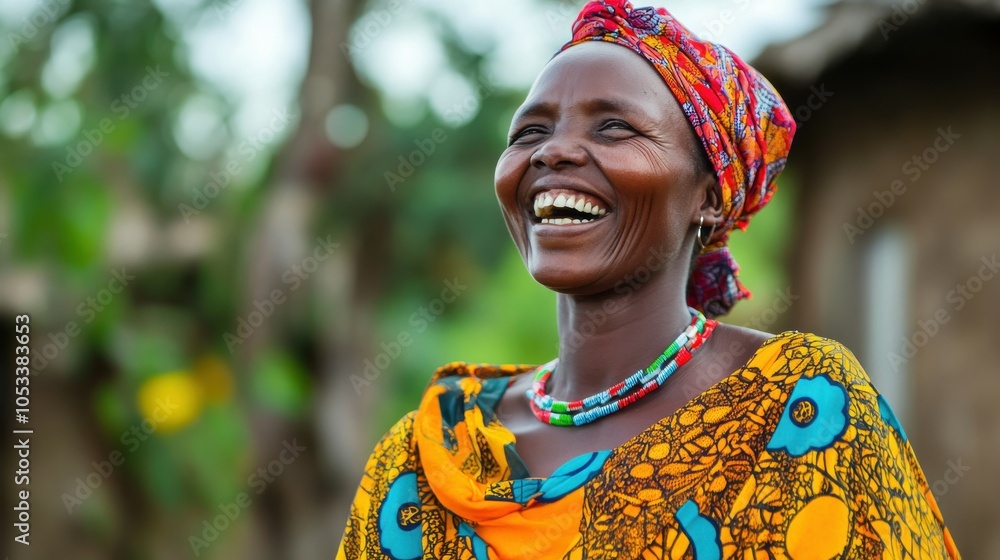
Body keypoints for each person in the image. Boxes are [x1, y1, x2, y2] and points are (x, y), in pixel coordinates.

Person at [336, 1, 961, 558]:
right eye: (530, 131)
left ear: (710, 197)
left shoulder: (797, 413)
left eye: (613, 127)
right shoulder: (427, 457)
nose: (551, 152)